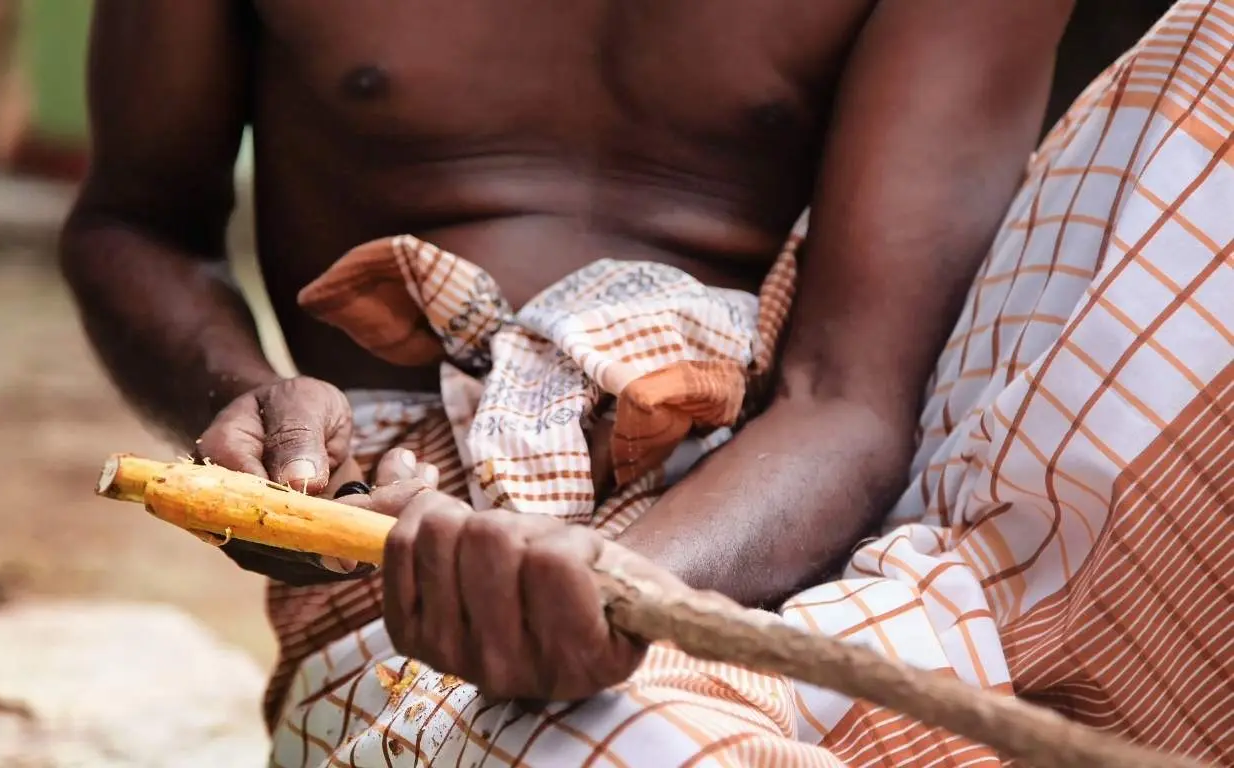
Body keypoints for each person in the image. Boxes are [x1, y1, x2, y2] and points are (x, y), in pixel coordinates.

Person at [62, 0, 1233, 765]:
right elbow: (137, 220)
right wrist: (241, 394)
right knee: (625, 748)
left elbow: (846, 396)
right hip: (406, 555)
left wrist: (609, 588)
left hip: (803, 524)